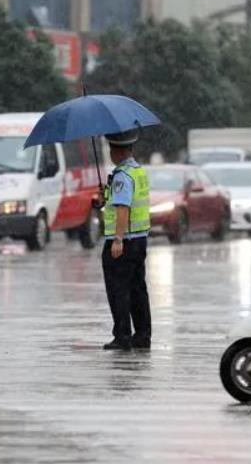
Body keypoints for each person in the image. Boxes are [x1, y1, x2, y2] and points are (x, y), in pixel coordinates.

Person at [100, 130, 151, 350]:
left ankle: (122, 336)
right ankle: (142, 335)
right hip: (140, 240)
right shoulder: (138, 171)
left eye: (112, 149)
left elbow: (123, 208)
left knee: (118, 290)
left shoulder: (121, 175)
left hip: (124, 241)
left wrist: (118, 240)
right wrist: (104, 197)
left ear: (117, 151)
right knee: (138, 289)